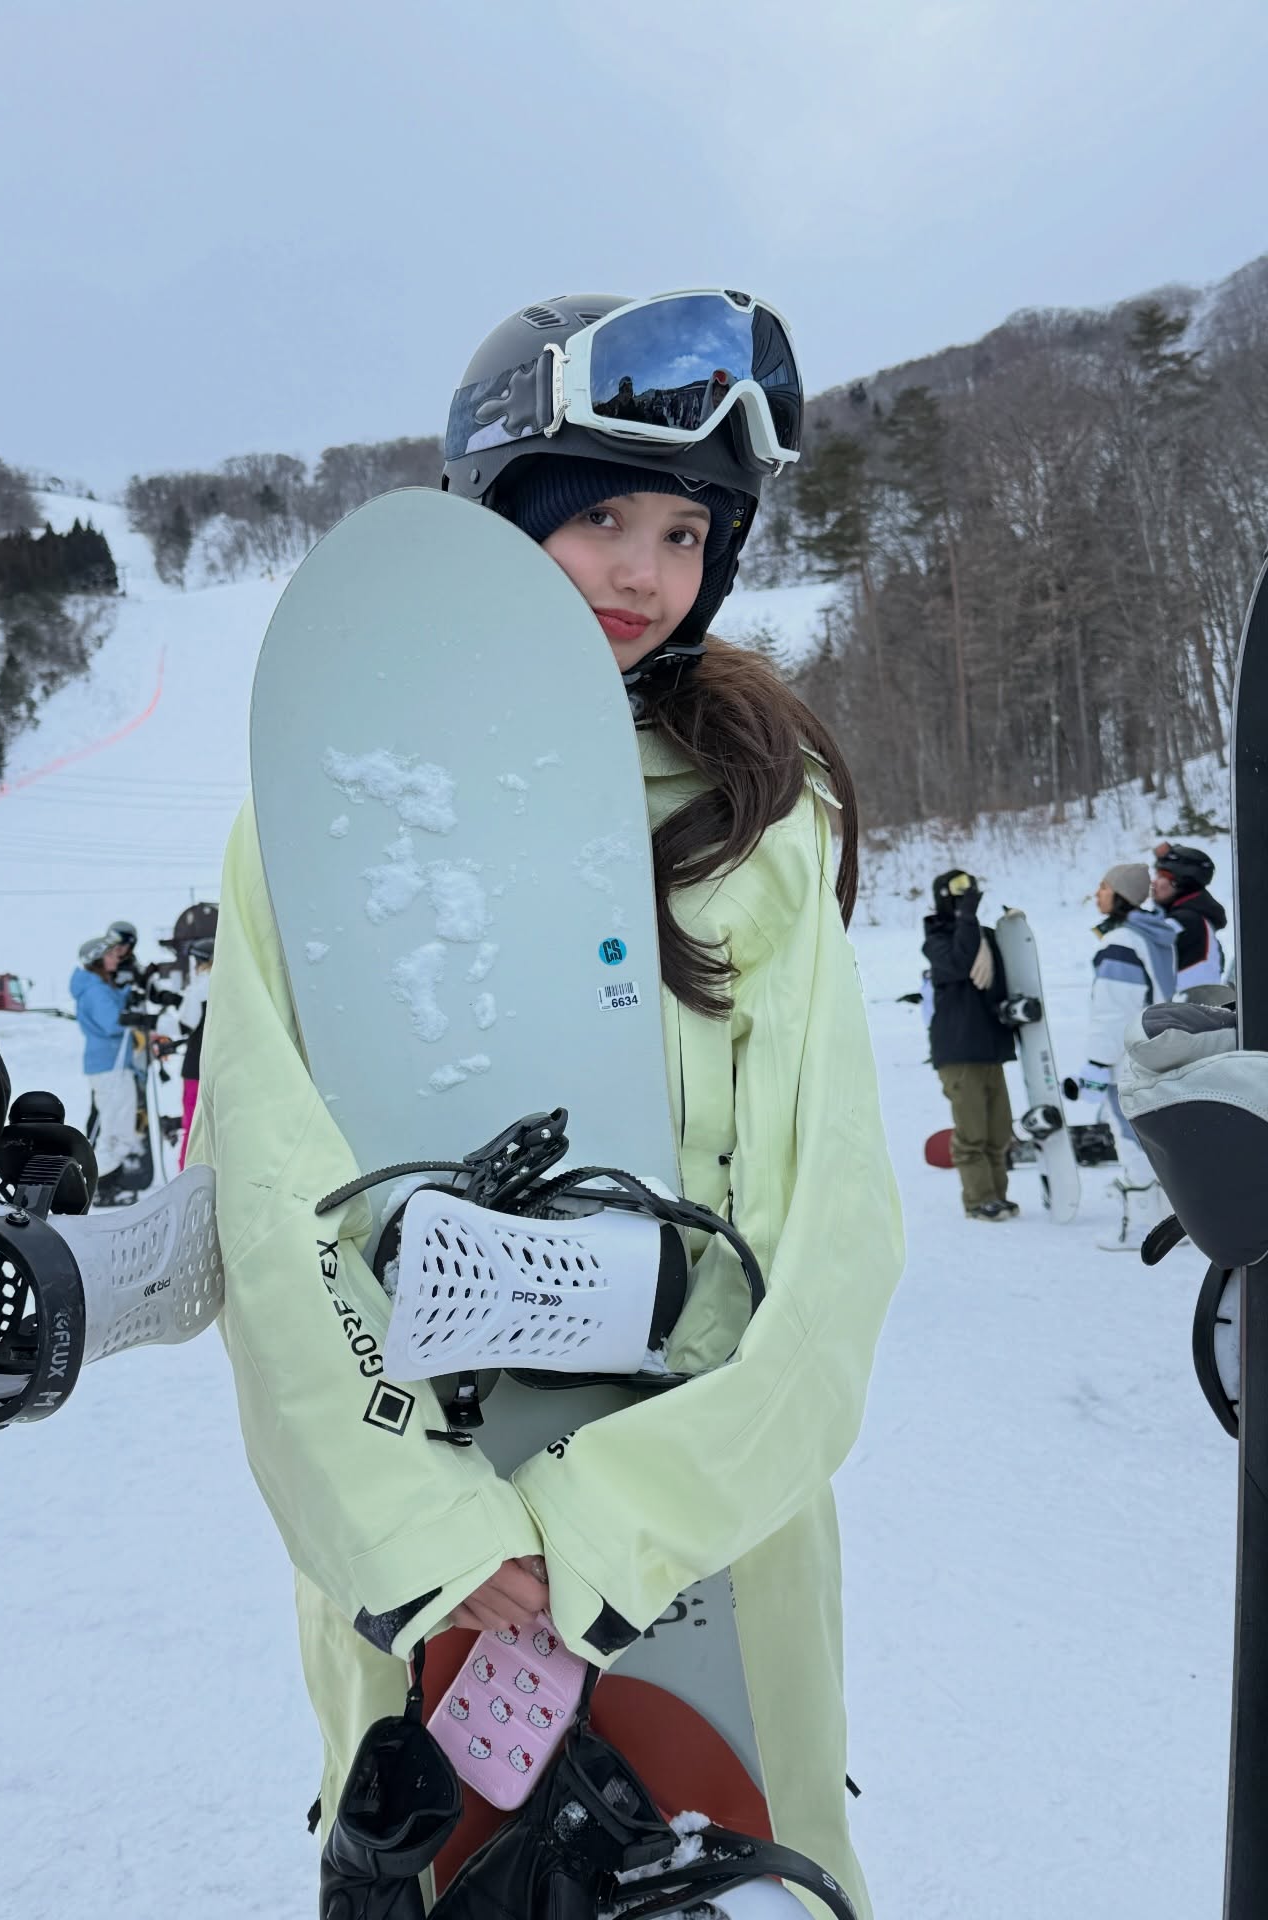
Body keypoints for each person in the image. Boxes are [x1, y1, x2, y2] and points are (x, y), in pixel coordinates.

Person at [194, 288, 903, 1916]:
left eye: (684, 532)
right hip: (431, 1556)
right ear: (496, 516)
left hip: (708, 1536)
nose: (645, 572)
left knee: (740, 1871)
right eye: (600, 518)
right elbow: (276, 1199)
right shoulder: (323, 819)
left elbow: (834, 1240)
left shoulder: (761, 826)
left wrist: (613, 1525)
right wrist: (424, 1538)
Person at [1075, 863, 1176, 1251]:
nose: (1097, 893)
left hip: (1129, 1058)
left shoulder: (1120, 942)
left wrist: (1097, 1064)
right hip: (1158, 1051)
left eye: (1104, 887)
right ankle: (1173, 1223)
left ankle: (1142, 1228)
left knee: (1132, 1139)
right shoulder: (1153, 935)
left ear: (1121, 895)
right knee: (1156, 1138)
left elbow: (1113, 1011)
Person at [922, 869, 1018, 1221]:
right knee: (972, 1133)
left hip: (989, 1047)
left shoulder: (984, 938)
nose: (967, 899)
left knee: (998, 1132)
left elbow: (1006, 981)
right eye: (960, 893)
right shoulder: (937, 939)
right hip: (959, 1051)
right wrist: (966, 918)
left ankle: (998, 1196)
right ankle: (979, 1200)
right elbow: (961, 962)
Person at [70, 933, 139, 1207]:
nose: (115, 958)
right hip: (111, 1065)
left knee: (116, 1128)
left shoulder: (98, 986)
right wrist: (139, 1017)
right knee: (116, 1132)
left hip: (111, 1063)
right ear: (97, 959)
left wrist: (128, 992)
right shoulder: (95, 990)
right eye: (110, 954)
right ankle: (96, 1186)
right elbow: (112, 1022)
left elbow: (114, 1006)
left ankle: (104, 1185)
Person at [1151, 842, 1227, 991]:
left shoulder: (1185, 921)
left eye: (1162, 876)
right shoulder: (1195, 919)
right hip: (1187, 1004)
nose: (1154, 882)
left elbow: (1138, 949)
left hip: (1183, 1004)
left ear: (1180, 882)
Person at [175, 936, 212, 1171]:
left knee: (192, 1125)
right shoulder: (229, 985)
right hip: (220, 1066)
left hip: (195, 1068)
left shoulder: (198, 988)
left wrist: (153, 1022)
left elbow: (185, 1024)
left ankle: (186, 1171)